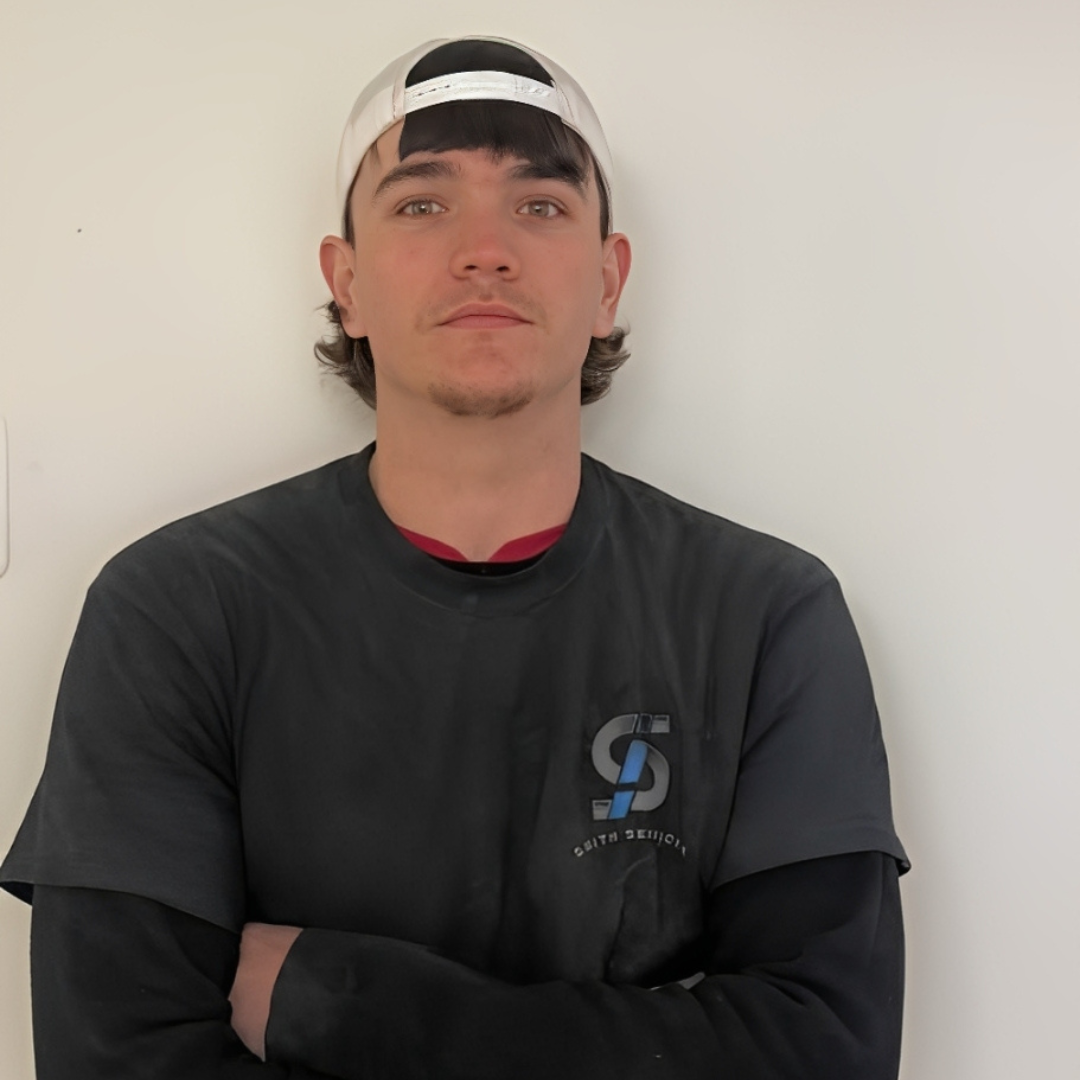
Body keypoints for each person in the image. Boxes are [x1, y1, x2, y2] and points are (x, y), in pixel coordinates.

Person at [1, 36, 909, 1079]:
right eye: (422, 205)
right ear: (347, 283)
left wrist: (340, 1003)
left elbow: (824, 1051)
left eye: (541, 204)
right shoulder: (178, 609)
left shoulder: (764, 615)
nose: (486, 249)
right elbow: (118, 1058)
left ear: (608, 279)